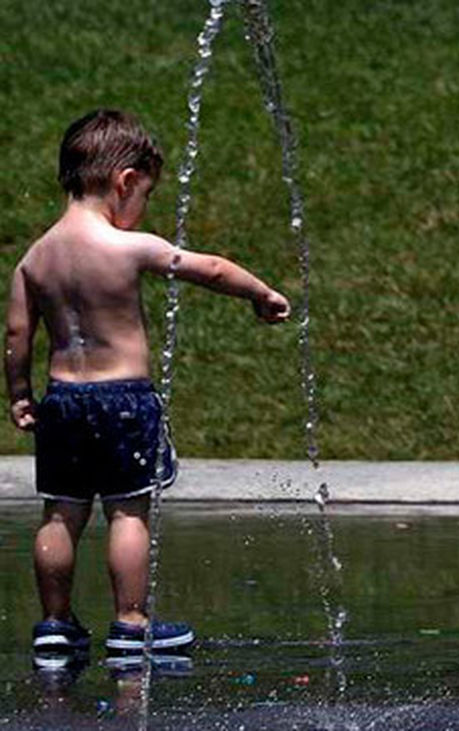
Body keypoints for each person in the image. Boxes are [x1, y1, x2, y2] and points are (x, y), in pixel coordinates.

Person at [5, 109, 291, 662]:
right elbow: (209, 269)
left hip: (62, 401)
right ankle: (131, 623)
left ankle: (55, 625)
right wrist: (260, 293)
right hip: (123, 400)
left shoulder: (33, 259)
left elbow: (18, 333)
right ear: (125, 181)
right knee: (127, 512)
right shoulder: (126, 247)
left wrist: (19, 393)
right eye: (147, 195)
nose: (144, 206)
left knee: (61, 512)